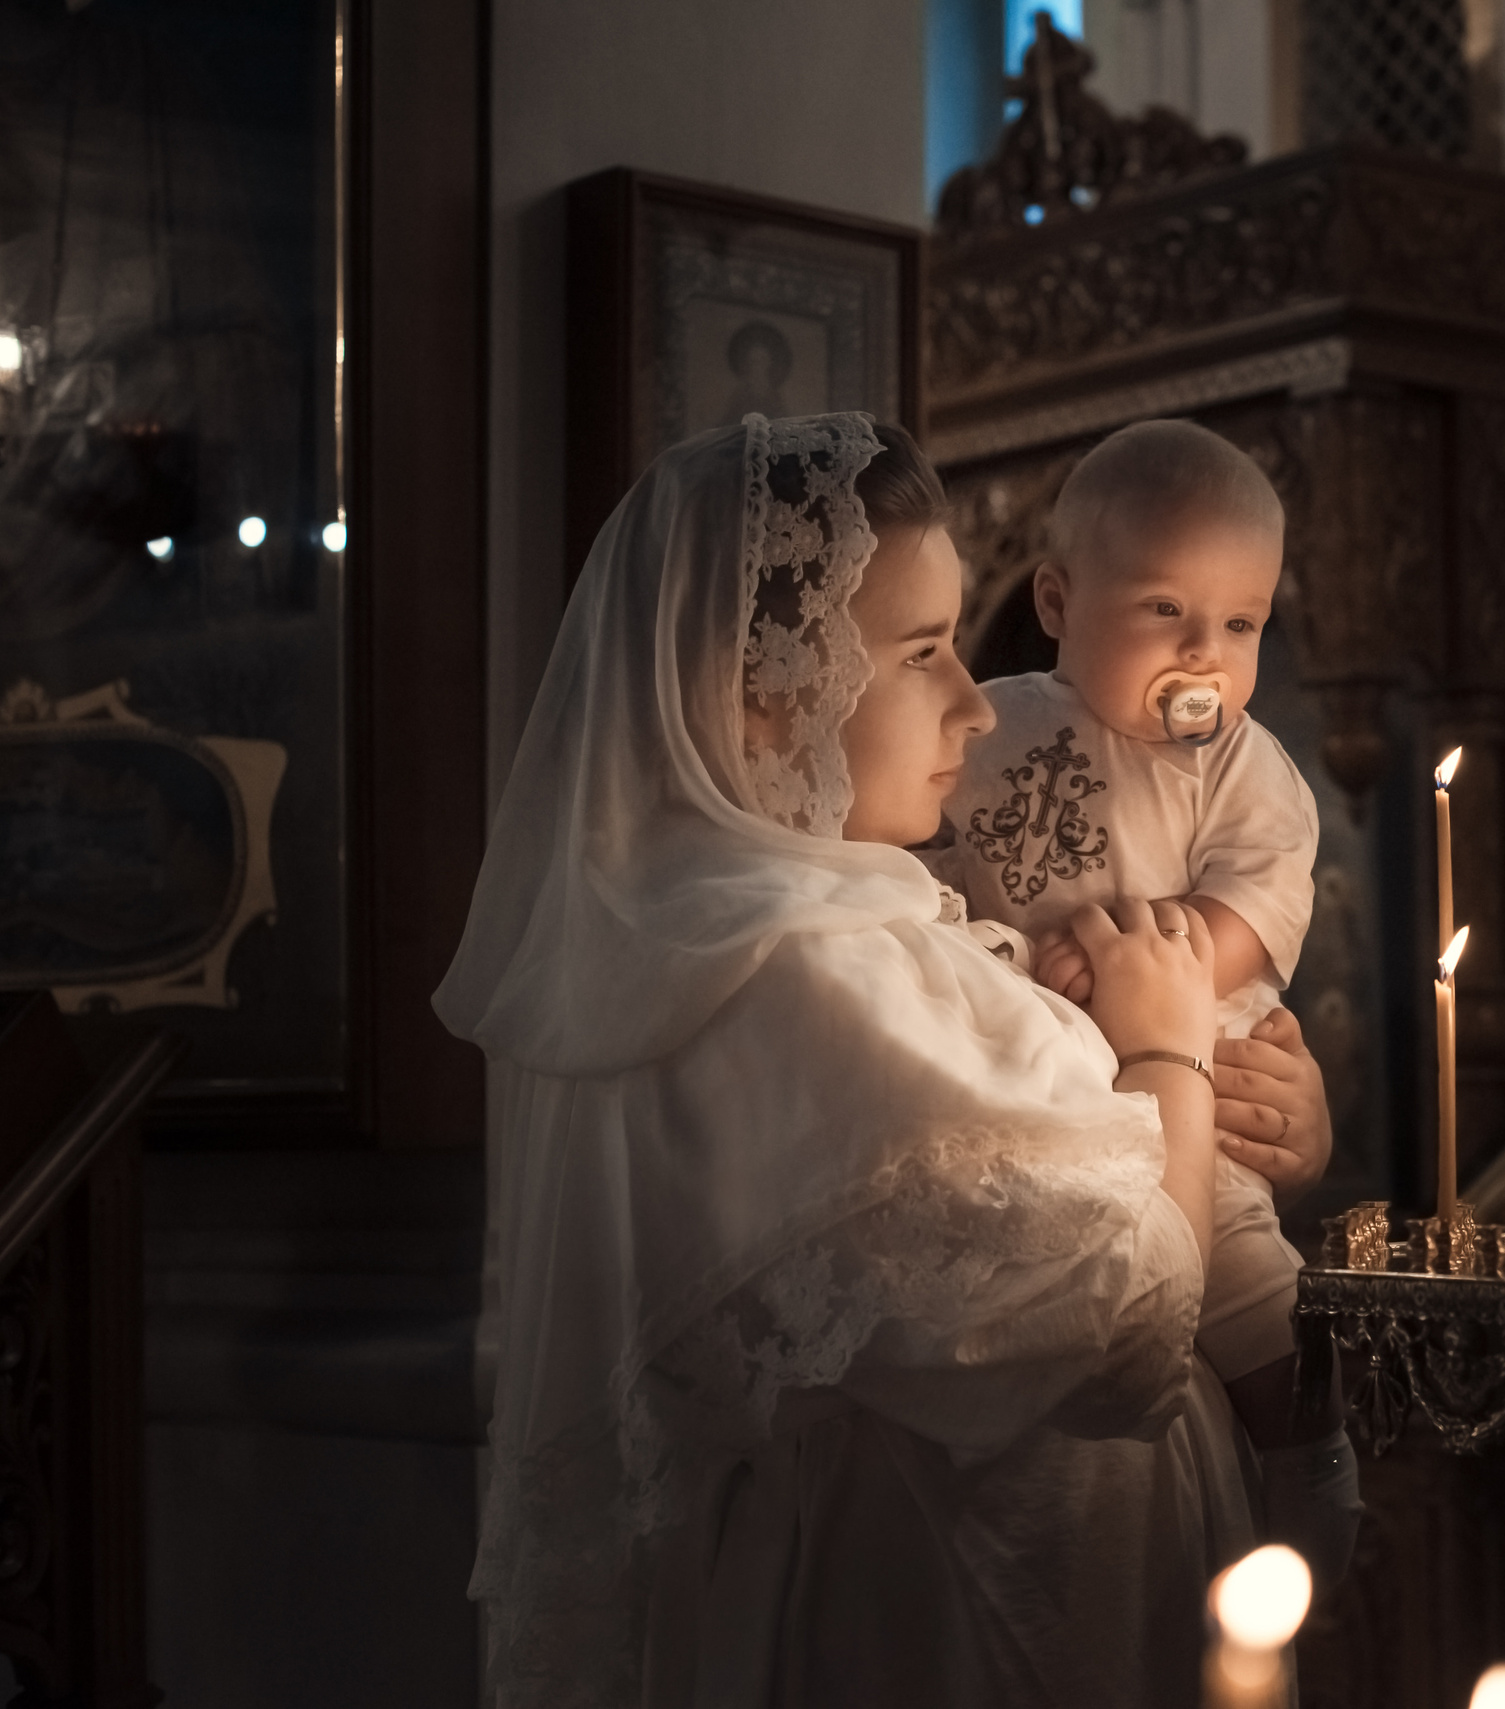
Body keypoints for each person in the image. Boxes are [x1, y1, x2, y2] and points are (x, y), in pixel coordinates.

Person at [436, 412, 1341, 1707]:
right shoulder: (795, 969)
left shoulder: (844, 924)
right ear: (766, 689)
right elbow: (1129, 1325)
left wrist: (1258, 1115)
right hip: (948, 1616)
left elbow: (1076, 1153)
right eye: (922, 652)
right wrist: (1169, 1049)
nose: (975, 701)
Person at [931, 419, 1328, 1462]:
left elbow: (1258, 903)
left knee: (1262, 1315)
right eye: (1165, 610)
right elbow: (930, 872)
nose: (1204, 653)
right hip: (1039, 1106)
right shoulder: (988, 726)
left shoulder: (1240, 764)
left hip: (1200, 1112)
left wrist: (1135, 958)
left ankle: (1313, 1482)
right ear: (1057, 604)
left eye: (1239, 623)